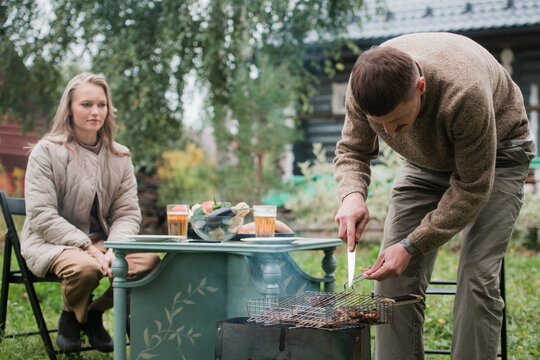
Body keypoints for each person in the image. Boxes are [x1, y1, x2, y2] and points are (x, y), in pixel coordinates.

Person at [333, 32, 534, 359]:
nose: (389, 134)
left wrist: (412, 244)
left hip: (498, 154)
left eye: (397, 123)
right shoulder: (364, 91)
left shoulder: (463, 92)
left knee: (476, 280)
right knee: (389, 283)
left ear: (421, 88)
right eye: (379, 125)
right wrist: (351, 195)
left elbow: (471, 189)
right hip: (425, 161)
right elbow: (353, 150)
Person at [20, 72, 160, 353]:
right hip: (54, 241)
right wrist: (88, 248)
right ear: (69, 108)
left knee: (150, 264)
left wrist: (113, 248)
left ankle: (90, 314)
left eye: (102, 105)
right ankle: (72, 316)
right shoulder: (46, 152)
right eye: (86, 104)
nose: (95, 111)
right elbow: (42, 215)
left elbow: (127, 213)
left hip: (104, 240)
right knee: (85, 269)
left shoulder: (120, 156)